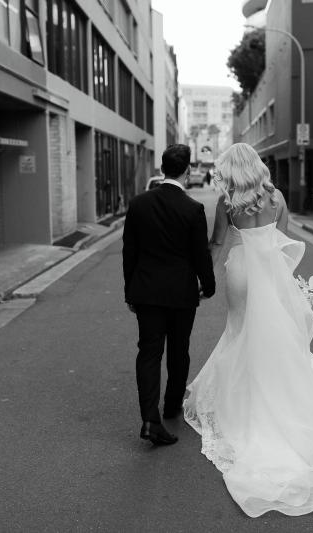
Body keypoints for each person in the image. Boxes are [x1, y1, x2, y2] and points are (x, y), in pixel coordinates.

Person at [183, 143, 313, 517]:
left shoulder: (227, 200)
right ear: (257, 166)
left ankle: (246, 396)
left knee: (240, 332)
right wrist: (286, 280)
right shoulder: (276, 197)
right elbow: (282, 242)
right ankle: (284, 398)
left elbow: (218, 242)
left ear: (231, 169)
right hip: (271, 273)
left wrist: (201, 275)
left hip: (241, 272)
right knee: (277, 336)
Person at [122, 144, 216, 446]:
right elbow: (200, 254)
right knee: (179, 350)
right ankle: (173, 405)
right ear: (187, 171)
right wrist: (209, 284)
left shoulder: (138, 204)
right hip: (181, 293)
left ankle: (150, 420)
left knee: (149, 353)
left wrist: (130, 291)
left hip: (146, 291)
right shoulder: (192, 209)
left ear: (162, 169)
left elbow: (129, 253)